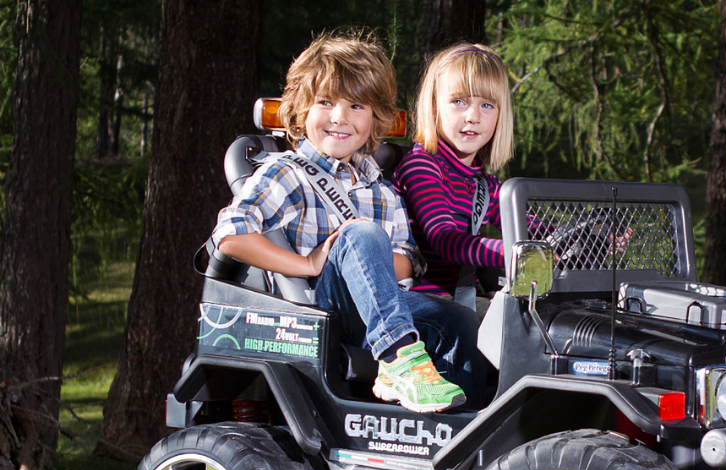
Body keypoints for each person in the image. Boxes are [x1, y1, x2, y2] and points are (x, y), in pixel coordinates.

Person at [211, 33, 479, 413]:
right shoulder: (287, 172)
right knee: (360, 233)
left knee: (456, 320)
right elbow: (231, 235)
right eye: (325, 102)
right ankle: (399, 360)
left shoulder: (380, 187)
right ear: (303, 109)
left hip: (382, 306)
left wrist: (367, 262)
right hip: (321, 309)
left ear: (375, 119)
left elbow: (407, 259)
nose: (340, 117)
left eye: (356, 106)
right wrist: (309, 263)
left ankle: (457, 423)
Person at [394, 43, 514, 305]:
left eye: (487, 105)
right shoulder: (421, 166)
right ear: (434, 106)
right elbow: (445, 239)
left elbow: (533, 227)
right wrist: (513, 254)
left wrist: (593, 236)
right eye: (459, 101)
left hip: (459, 303)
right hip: (416, 305)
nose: (473, 116)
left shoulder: (487, 186)